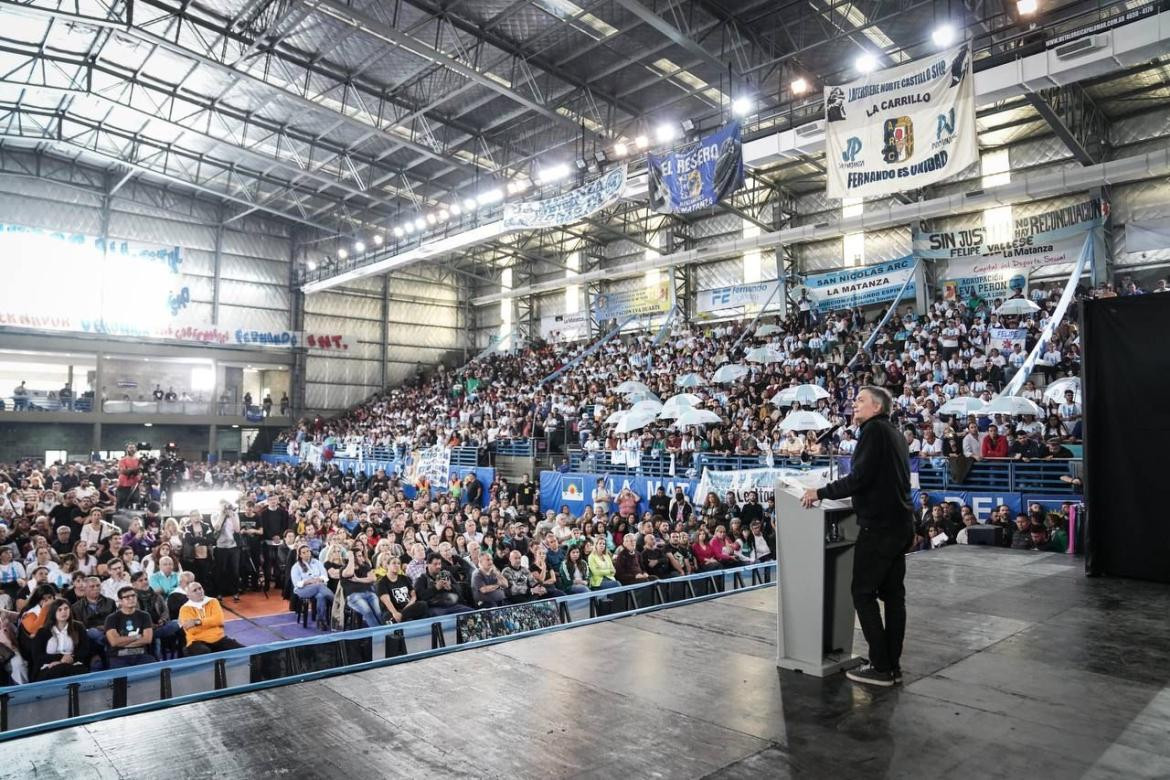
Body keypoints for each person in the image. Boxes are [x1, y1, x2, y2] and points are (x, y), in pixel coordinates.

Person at [803, 385, 913, 687]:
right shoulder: (894, 432)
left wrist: (820, 492)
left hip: (879, 528)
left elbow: (859, 478)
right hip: (900, 524)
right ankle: (892, 665)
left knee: (863, 593)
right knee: (893, 597)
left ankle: (880, 665)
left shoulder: (873, 432)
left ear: (877, 407)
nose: (854, 404)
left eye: (861, 401)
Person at [31, 598, 92, 681]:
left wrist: (70, 659)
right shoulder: (43, 632)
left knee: (72, 672)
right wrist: (60, 659)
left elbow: (85, 650)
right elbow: (37, 656)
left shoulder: (79, 627)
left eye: (66, 609)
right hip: (49, 666)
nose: (63, 612)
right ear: (53, 612)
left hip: (73, 664)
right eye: (59, 610)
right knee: (57, 671)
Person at [178, 581, 244, 655]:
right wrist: (211, 624)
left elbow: (219, 620)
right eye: (195, 590)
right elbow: (192, 630)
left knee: (244, 651)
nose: (199, 591)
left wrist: (197, 622)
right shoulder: (184, 609)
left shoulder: (213, 601)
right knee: (204, 652)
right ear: (188, 596)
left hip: (218, 638)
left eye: (200, 588)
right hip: (197, 641)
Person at [104, 586, 156, 668]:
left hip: (140, 652)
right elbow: (114, 642)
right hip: (119, 655)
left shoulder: (145, 615)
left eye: (133, 596)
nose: (131, 599)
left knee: (154, 670)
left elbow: (147, 639)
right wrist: (137, 636)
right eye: (127, 597)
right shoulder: (111, 618)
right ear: (120, 601)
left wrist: (122, 642)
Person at [290, 544, 334, 630]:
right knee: (319, 586)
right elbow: (297, 583)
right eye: (304, 552)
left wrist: (319, 579)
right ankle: (335, 601)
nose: (306, 553)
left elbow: (325, 576)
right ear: (300, 555)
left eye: (308, 551)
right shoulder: (296, 567)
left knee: (321, 596)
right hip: (303, 590)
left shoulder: (317, 562)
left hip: (318, 587)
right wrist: (309, 581)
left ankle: (321, 621)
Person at [376, 555, 429, 623]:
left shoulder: (404, 578)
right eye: (394, 563)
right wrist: (395, 613)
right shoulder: (382, 582)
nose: (397, 565)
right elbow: (387, 601)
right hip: (392, 610)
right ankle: (400, 619)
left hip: (407, 608)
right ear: (388, 565)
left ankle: (400, 618)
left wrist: (407, 607)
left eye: (398, 563)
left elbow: (413, 596)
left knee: (423, 605)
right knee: (388, 617)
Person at [115, 444, 142, 510]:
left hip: (135, 486)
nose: (132, 449)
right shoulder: (122, 460)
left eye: (133, 448)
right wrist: (136, 470)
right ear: (127, 449)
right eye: (130, 448)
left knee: (135, 505)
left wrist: (131, 469)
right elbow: (124, 471)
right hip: (123, 486)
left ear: (135, 449)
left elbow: (141, 471)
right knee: (121, 505)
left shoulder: (139, 460)